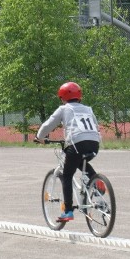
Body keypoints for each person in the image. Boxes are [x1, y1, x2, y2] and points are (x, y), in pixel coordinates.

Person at [34, 81, 102, 222]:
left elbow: (49, 124)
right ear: (80, 97)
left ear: (62, 97)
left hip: (77, 143)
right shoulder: (88, 109)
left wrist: (39, 137)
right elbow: (95, 125)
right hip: (94, 143)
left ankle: (68, 211)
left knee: (67, 175)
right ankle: (95, 180)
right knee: (79, 161)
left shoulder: (64, 109)